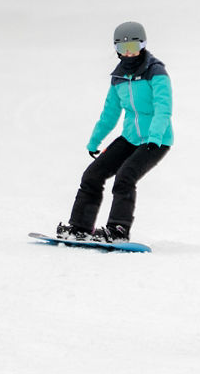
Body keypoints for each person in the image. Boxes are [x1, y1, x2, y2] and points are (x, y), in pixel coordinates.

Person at [56, 21, 173, 242]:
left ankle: (118, 230)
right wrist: (94, 141)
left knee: (125, 177)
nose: (129, 55)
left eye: (134, 48)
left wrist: (156, 136)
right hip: (130, 138)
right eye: (123, 49)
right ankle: (80, 227)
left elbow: (163, 108)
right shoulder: (118, 77)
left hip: (156, 140)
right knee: (92, 175)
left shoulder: (155, 72)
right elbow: (109, 113)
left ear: (143, 45)